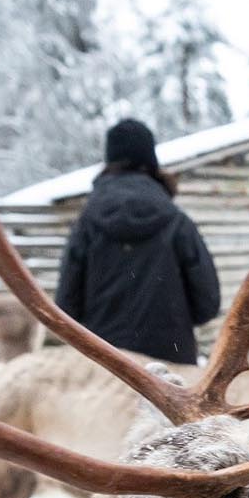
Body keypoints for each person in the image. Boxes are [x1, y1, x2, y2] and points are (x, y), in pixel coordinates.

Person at [54, 119, 220, 364]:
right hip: (171, 373)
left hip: (106, 369)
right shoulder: (177, 222)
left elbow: (66, 306)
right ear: (151, 161)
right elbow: (207, 304)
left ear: (109, 162)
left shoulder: (86, 225)